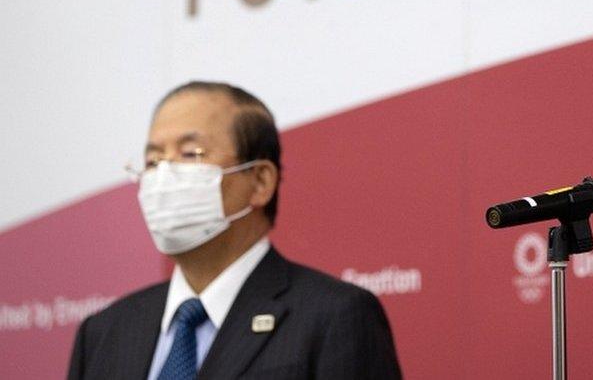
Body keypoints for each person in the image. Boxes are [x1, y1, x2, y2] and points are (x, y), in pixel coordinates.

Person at [68, 82, 401, 379]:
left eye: (190, 154)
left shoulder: (335, 317)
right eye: (153, 161)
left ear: (260, 182)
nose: (163, 176)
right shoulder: (104, 331)